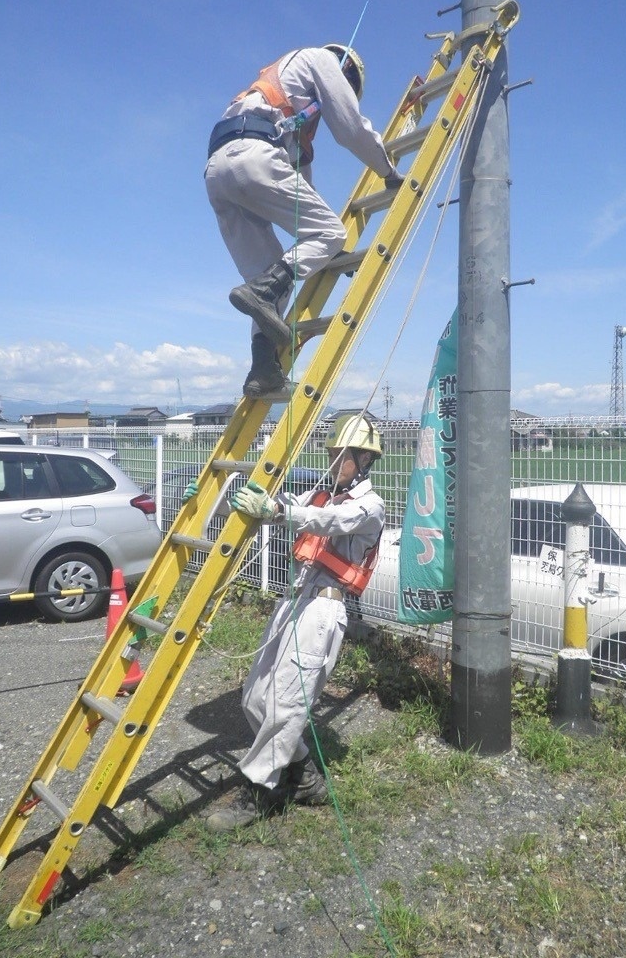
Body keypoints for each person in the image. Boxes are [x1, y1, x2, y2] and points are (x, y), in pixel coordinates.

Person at [206, 414, 385, 831]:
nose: (332, 460)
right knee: (255, 696)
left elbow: (327, 523)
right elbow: (291, 508)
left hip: (323, 611)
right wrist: (258, 500)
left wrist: (281, 511)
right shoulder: (321, 495)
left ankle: (259, 793)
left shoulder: (369, 506)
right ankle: (304, 777)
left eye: (340, 454)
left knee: (287, 703)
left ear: (362, 460)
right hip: (293, 603)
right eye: (330, 452)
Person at [205, 46, 404, 398]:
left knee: (267, 277)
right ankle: (263, 292)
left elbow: (301, 196)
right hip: (253, 156)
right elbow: (350, 127)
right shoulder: (320, 59)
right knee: (328, 234)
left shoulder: (283, 110)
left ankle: (263, 370)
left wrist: (325, 255)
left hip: (217, 170)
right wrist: (387, 171)